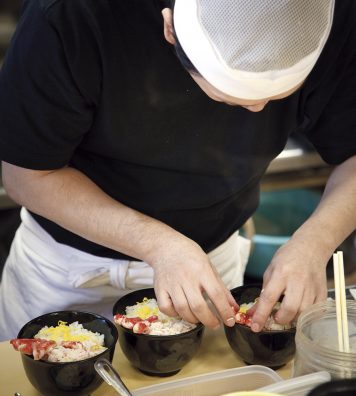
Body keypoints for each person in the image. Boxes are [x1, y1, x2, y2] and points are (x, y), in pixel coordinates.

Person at [0, 0, 355, 341]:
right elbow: (25, 175)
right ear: (169, 28)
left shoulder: (329, 12)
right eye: (233, 98)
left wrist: (315, 242)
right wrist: (160, 246)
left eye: (276, 95)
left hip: (210, 272)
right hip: (68, 272)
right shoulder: (73, 13)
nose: (258, 109)